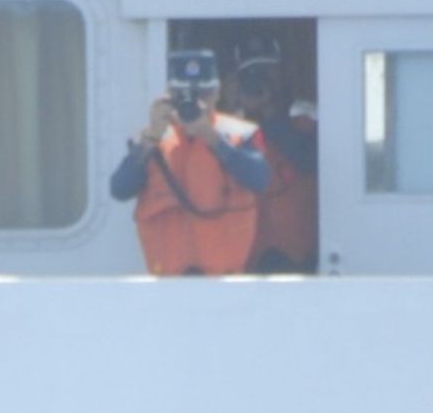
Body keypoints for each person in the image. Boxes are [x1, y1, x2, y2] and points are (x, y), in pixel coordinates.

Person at [109, 50, 270, 276]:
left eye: (203, 94)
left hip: (225, 282)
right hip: (168, 283)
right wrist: (151, 138)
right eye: (183, 95)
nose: (196, 102)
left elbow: (259, 180)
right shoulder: (152, 139)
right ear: (168, 95)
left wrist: (211, 137)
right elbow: (119, 189)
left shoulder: (239, 134)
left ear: (216, 92)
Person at [228, 35, 319, 274]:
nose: (261, 80)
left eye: (268, 71)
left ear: (283, 73)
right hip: (246, 258)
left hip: (298, 256)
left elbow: (308, 161)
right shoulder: (226, 128)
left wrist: (270, 115)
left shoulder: (305, 118)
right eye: (252, 73)